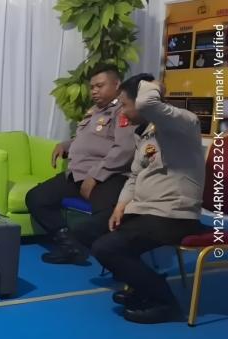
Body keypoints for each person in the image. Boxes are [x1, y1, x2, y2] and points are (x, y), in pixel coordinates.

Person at [91, 74, 207, 324]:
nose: (122, 111)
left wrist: (152, 85)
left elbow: (148, 103)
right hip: (146, 211)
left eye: (125, 104)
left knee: (106, 247)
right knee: (90, 230)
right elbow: (135, 176)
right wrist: (121, 205)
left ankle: (164, 302)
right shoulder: (145, 134)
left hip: (175, 215)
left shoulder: (183, 122)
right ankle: (142, 286)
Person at [26, 65, 137, 265]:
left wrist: (95, 176)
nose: (94, 91)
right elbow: (86, 139)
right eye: (92, 87)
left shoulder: (122, 112)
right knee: (37, 198)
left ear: (116, 84)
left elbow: (124, 150)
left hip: (107, 177)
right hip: (77, 174)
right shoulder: (94, 111)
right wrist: (65, 145)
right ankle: (69, 245)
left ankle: (117, 257)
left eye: (100, 86)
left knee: (106, 215)